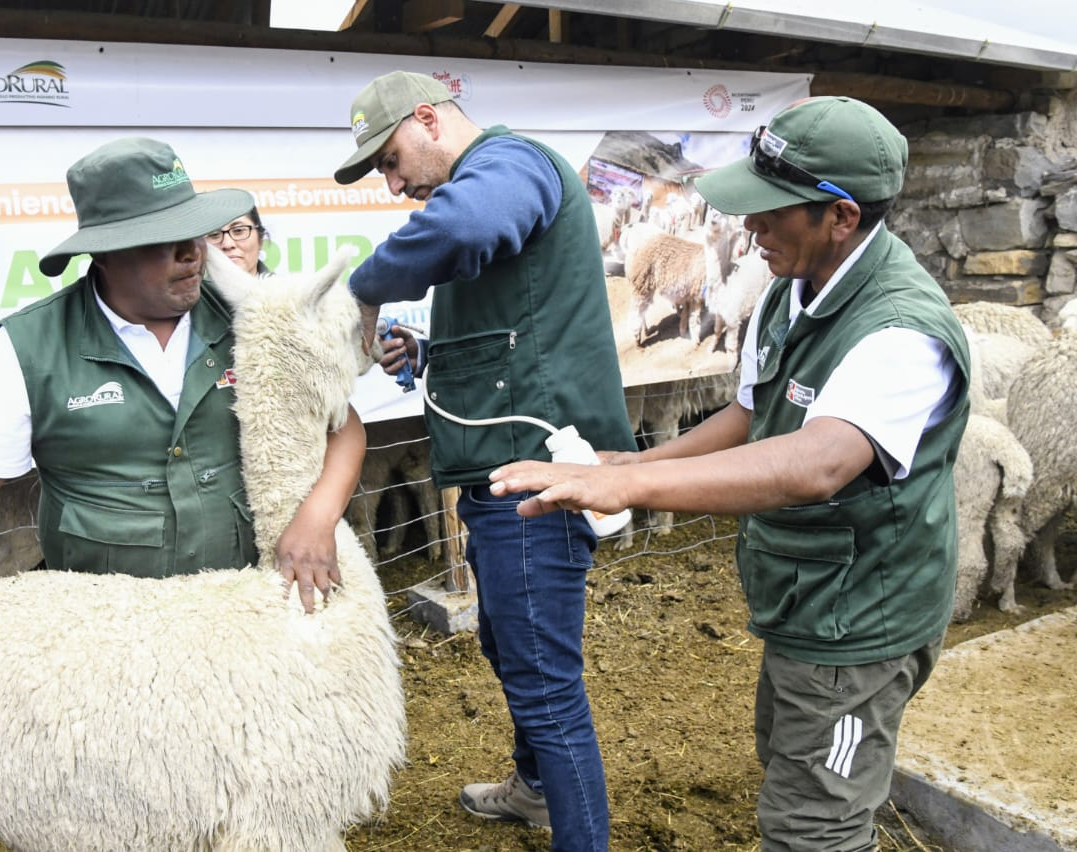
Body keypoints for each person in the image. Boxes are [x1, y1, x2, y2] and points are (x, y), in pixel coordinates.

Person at [490, 96, 971, 850]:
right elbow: (754, 413)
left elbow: (818, 463)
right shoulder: (789, 289)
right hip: (803, 597)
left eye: (772, 211)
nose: (750, 227)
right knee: (790, 768)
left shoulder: (901, 330)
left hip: (862, 618)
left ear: (840, 217)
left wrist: (630, 488)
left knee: (815, 824)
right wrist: (641, 461)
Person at [0, 137, 366, 729]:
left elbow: (343, 428)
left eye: (195, 235)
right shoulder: (32, 348)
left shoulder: (249, 315)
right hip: (108, 642)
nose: (193, 254)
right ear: (106, 254)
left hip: (241, 612)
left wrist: (316, 518)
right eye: (164, 242)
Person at [334, 70, 636, 851]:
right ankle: (537, 791)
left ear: (429, 118)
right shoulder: (490, 181)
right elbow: (518, 330)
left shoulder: (510, 167)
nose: (395, 183)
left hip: (535, 480)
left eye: (392, 160)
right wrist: (430, 351)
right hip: (501, 473)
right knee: (512, 643)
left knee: (545, 686)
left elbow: (469, 229)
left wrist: (362, 291)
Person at [207, 194, 273, 278]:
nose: (227, 244)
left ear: (260, 239)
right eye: (214, 234)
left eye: (238, 230)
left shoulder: (287, 290)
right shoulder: (190, 290)